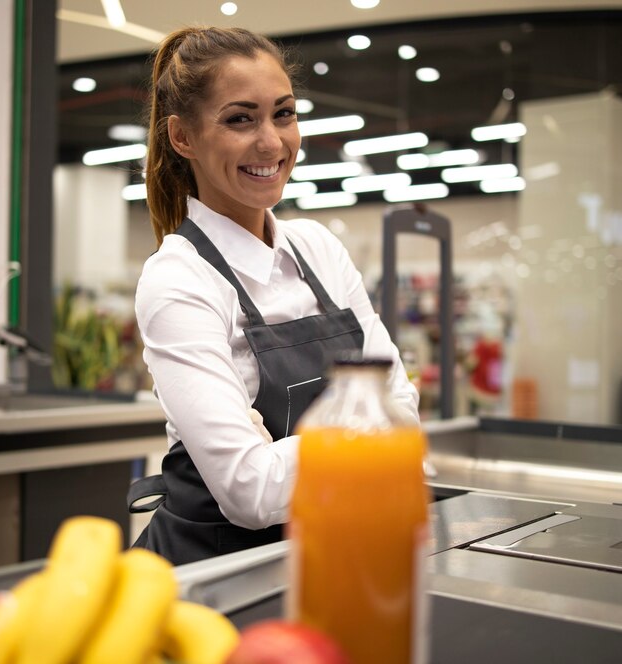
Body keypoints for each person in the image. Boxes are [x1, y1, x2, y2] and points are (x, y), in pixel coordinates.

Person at [127, 26, 420, 565]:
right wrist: (366, 434)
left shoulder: (319, 248)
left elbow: (404, 413)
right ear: (182, 137)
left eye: (283, 113)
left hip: (325, 554)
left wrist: (281, 453)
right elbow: (250, 492)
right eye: (240, 119)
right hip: (216, 575)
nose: (271, 142)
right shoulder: (179, 280)